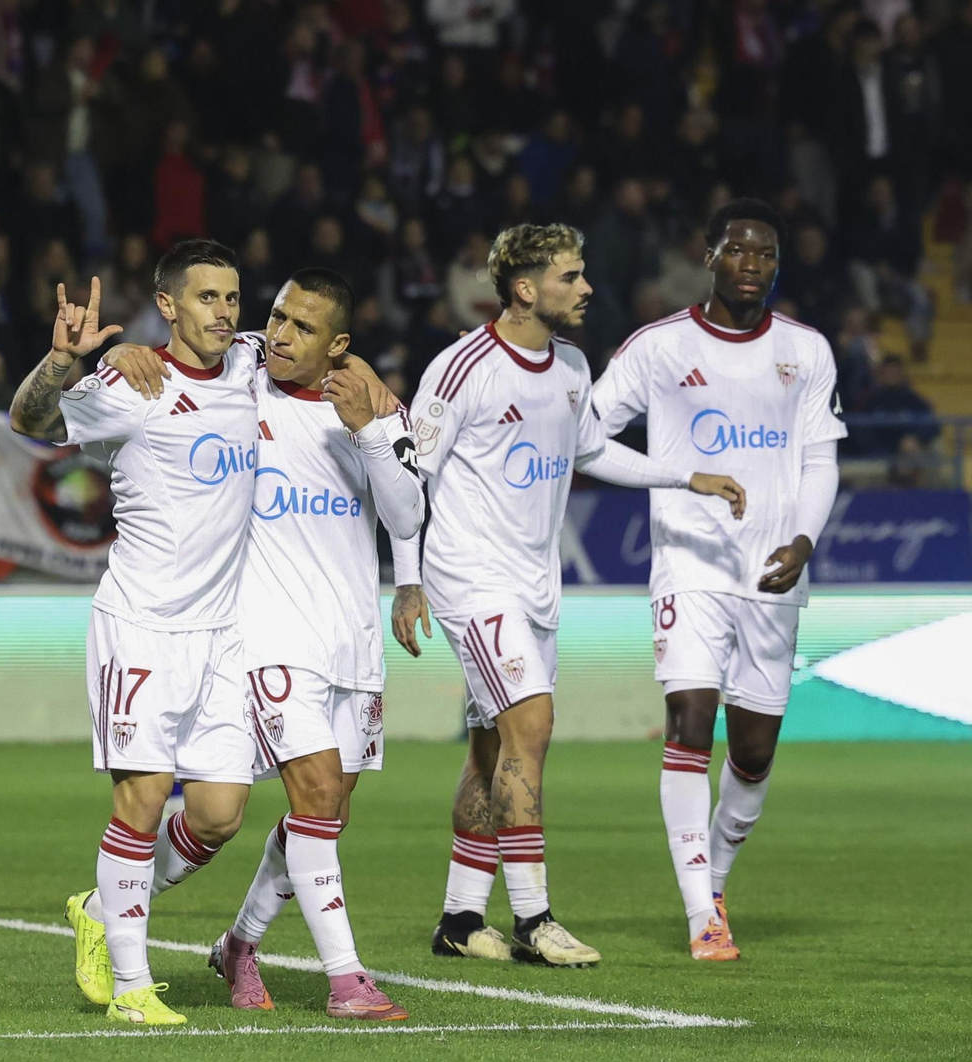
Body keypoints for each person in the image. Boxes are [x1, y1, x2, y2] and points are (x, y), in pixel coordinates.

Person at [390, 224, 744, 966]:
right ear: (525, 288)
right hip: (472, 577)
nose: (586, 288)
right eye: (571, 276)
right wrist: (408, 576)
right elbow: (407, 472)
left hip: (534, 587)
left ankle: (459, 919)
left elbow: (590, 448)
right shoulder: (463, 368)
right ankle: (533, 917)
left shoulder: (574, 366)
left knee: (492, 748)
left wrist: (686, 474)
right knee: (534, 725)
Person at [102, 270, 417, 1020]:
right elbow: (182, 355)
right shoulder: (241, 379)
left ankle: (230, 941)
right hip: (268, 636)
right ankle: (346, 979)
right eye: (276, 316)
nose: (278, 334)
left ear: (338, 344)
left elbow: (406, 514)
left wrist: (370, 430)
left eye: (303, 327)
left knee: (327, 812)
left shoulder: (369, 406)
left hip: (353, 642)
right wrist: (120, 360)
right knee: (311, 797)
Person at [8, 241, 261, 1027]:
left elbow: (313, 335)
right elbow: (29, 420)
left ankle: (104, 903)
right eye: (207, 297)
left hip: (223, 632)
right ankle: (131, 988)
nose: (224, 311)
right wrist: (64, 361)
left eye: (232, 297)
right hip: (142, 626)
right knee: (143, 799)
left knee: (219, 814)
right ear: (169, 305)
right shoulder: (131, 383)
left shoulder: (253, 366)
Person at [590, 199, 847, 962]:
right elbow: (587, 438)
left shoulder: (806, 350)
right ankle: (703, 911)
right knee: (690, 722)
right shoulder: (658, 349)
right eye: (739, 251)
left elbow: (820, 460)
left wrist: (804, 538)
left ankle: (718, 880)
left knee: (756, 750)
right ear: (710, 256)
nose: (753, 265)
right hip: (690, 565)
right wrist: (677, 478)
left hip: (772, 573)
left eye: (767, 255)